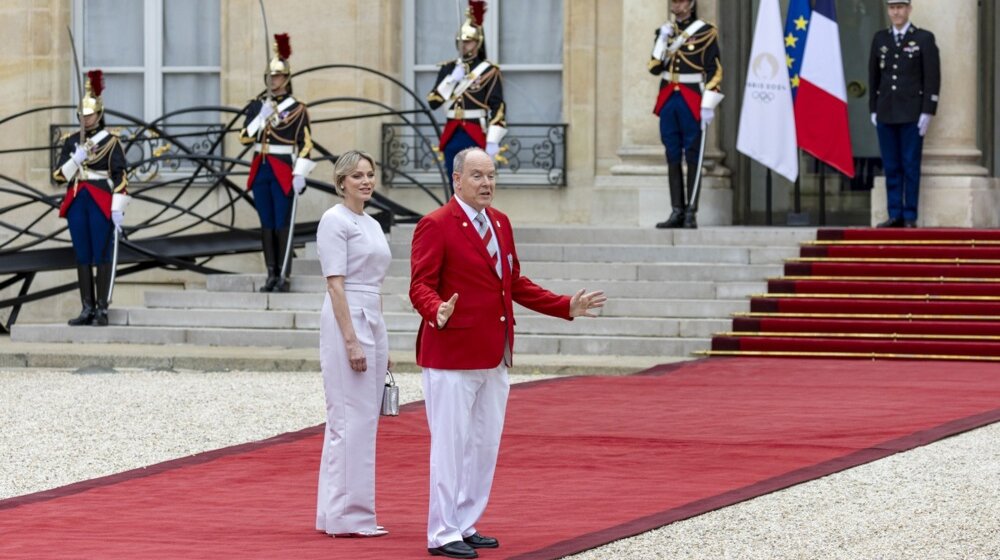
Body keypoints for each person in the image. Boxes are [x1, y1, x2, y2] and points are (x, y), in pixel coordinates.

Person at [409, 147, 606, 559]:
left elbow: (514, 282)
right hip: (452, 352)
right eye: (478, 176)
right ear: (457, 180)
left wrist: (565, 305)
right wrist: (436, 310)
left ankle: (466, 521)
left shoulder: (500, 223)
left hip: (496, 353)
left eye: (492, 176)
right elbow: (419, 285)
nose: (487, 184)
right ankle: (442, 532)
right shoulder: (436, 224)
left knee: (483, 444)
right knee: (450, 446)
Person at [314, 150, 393, 538]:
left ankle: (335, 513)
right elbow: (335, 283)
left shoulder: (373, 223)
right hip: (346, 316)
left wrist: (380, 340)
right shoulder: (334, 220)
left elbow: (375, 283)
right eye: (357, 175)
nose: (365, 181)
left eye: (370, 174)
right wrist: (352, 341)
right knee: (350, 420)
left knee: (361, 419)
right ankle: (351, 515)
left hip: (371, 316)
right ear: (341, 180)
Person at [239, 33, 316, 292]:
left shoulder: (297, 109)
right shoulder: (258, 106)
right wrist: (260, 117)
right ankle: (270, 273)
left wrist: (300, 173)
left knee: (282, 223)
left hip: (283, 167)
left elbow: (306, 144)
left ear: (286, 79)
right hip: (260, 167)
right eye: (270, 76)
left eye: (278, 76)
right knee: (267, 223)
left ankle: (284, 274)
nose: (273, 80)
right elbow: (244, 138)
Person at [52, 69, 129, 327]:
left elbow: (120, 177)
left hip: (100, 199)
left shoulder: (111, 142)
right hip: (77, 200)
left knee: (102, 254)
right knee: (82, 254)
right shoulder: (71, 141)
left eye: (91, 114)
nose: (86, 119)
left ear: (99, 114)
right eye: (83, 115)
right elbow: (60, 175)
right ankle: (86, 307)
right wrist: (76, 159)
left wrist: (117, 208)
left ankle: (102, 309)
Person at [649, 0, 723, 230]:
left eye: (680, 1)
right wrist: (661, 40)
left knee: (693, 155)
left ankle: (691, 210)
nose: (675, 5)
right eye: (673, 1)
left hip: (692, 98)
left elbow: (715, 69)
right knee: (672, 153)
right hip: (669, 98)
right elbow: (654, 67)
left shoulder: (706, 32)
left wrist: (709, 102)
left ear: (691, 4)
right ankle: (676, 210)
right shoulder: (666, 32)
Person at [869, 0, 940, 228]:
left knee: (910, 165)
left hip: (912, 113)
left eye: (900, 7)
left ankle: (910, 215)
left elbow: (932, 77)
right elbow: (873, 76)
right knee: (891, 165)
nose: (896, 12)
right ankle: (894, 213)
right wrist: (873, 107)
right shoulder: (880, 39)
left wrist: (928, 110)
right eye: (892, 8)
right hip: (886, 112)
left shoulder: (923, 39)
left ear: (909, 9)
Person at [427, 0, 507, 188]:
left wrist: (493, 140)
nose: (464, 45)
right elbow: (433, 101)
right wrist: (452, 80)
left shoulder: (489, 71)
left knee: (476, 183)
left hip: (475, 131)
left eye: (468, 41)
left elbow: (498, 107)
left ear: (477, 43)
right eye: (461, 41)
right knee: (453, 181)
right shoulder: (449, 68)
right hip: (452, 132)